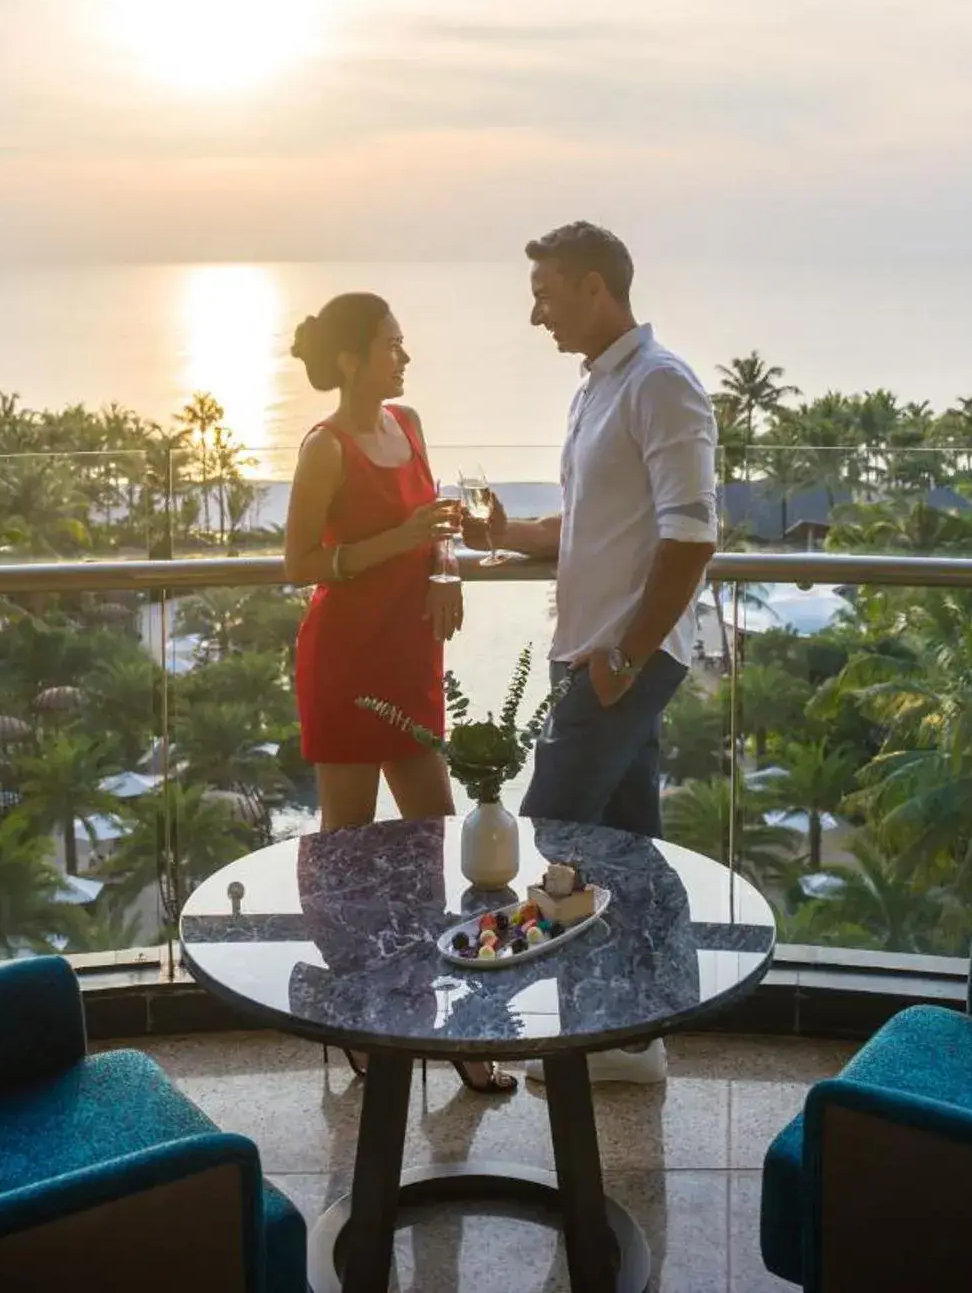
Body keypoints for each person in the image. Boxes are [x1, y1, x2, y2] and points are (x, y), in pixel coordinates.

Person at [473, 222, 719, 1084]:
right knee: (625, 841)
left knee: (552, 828)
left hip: (622, 662)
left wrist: (621, 657)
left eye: (546, 292)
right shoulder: (598, 389)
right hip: (590, 656)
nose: (536, 312)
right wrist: (507, 534)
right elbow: (594, 527)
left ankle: (495, 1025)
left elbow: (690, 537)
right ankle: (629, 1035)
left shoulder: (661, 386)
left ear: (594, 289)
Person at [282, 290, 514, 1097]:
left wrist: (442, 567)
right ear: (351, 358)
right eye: (390, 344)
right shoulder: (326, 447)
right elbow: (300, 562)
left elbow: (434, 527)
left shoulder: (407, 425)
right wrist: (401, 542)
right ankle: (357, 1019)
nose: (404, 356)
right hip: (345, 659)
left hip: (409, 657)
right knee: (348, 852)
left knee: (429, 845)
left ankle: (447, 1026)